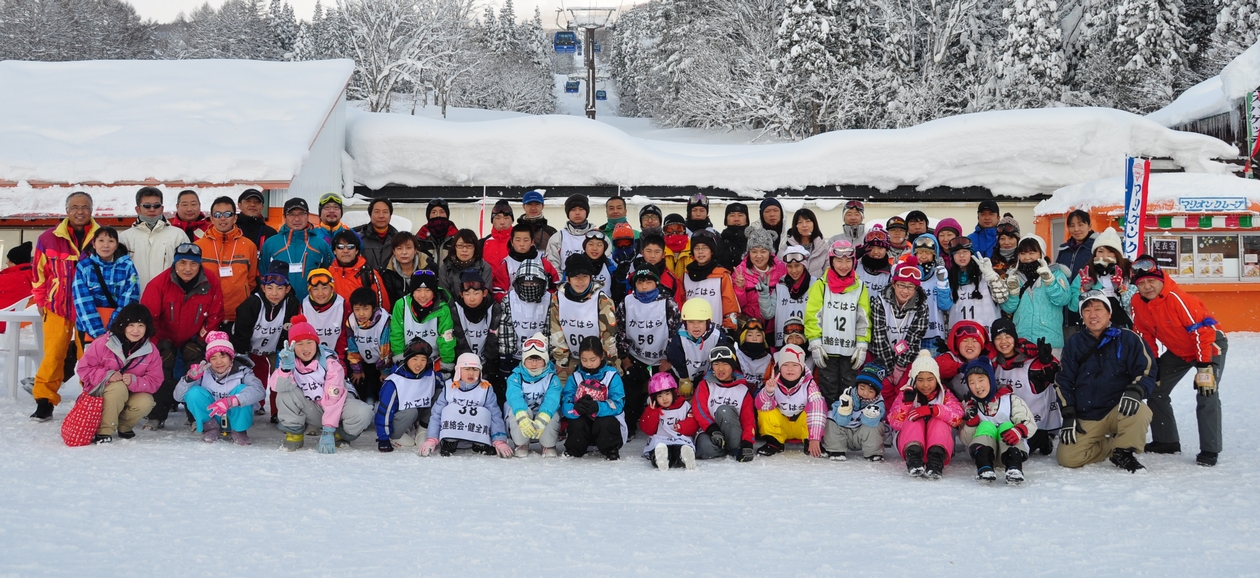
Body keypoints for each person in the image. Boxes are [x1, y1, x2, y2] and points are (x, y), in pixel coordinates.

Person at [1129, 255, 1227, 467]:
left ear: (1161, 279)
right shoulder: (1137, 302)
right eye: (1142, 283)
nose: (1147, 287)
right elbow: (1144, 335)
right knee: (1155, 388)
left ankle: (1210, 449)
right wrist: (1153, 363)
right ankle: (1166, 441)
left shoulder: (1178, 299)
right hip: (1178, 350)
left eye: (1151, 281)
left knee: (1206, 392)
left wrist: (1204, 366)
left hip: (1209, 345)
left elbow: (1202, 332)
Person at [1056, 294, 1155, 472]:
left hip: (1118, 408)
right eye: (1087, 310)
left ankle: (1123, 452)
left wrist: (1136, 390)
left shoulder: (1128, 338)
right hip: (1088, 413)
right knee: (1068, 458)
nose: (1092, 315)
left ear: (1109, 313)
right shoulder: (1074, 343)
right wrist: (1068, 413)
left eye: (1098, 309)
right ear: (1082, 316)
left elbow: (1146, 369)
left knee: (1140, 410)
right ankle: (1112, 445)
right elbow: (1064, 380)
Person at [29, 191, 100, 422]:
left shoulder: (102, 236)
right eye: (75, 207)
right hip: (57, 306)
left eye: (85, 207)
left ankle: (89, 400)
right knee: (53, 354)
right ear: (67, 210)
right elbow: (39, 273)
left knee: (88, 356)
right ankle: (44, 401)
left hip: (89, 309)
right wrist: (41, 300)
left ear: (92, 210)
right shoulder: (49, 238)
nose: (80, 211)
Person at [140, 243, 226, 428]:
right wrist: (158, 344)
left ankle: (195, 416)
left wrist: (201, 341)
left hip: (193, 338)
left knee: (197, 369)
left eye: (193, 264)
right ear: (175, 263)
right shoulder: (158, 284)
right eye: (183, 263)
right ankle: (156, 416)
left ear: (199, 264)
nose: (188, 268)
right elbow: (148, 318)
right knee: (161, 368)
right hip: (164, 337)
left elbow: (215, 314)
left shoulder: (210, 281)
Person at [270, 315, 375, 453]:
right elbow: (277, 387)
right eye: (299, 344)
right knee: (285, 392)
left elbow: (333, 399)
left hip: (338, 408)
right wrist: (285, 369)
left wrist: (328, 431)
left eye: (309, 342)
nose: (305, 348)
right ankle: (294, 434)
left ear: (316, 343)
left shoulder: (330, 363)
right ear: (292, 347)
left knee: (363, 412)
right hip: (312, 409)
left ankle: (339, 435)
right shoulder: (289, 360)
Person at [73, 303, 163, 443]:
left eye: (141, 325)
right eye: (131, 325)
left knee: (146, 401)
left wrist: (134, 381)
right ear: (123, 325)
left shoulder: (151, 351)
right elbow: (84, 369)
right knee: (118, 388)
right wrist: (107, 375)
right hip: (102, 393)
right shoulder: (103, 343)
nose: (136, 330)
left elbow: (155, 380)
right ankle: (104, 430)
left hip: (130, 393)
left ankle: (124, 425)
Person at [804, 240, 871, 407]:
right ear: (831, 261)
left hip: (849, 350)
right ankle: (827, 419)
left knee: (848, 390)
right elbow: (813, 316)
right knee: (828, 389)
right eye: (839, 260)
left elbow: (863, 319)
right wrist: (815, 342)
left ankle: (846, 419)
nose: (844, 265)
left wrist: (862, 344)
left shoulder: (860, 287)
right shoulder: (821, 285)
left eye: (848, 261)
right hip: (827, 349)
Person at [616, 267, 681, 436]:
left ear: (656, 283)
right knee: (631, 396)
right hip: (635, 357)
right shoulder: (627, 303)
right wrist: (624, 358)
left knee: (666, 394)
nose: (644, 286)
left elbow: (676, 333)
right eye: (640, 282)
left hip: (662, 359)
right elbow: (620, 331)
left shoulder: (668, 303)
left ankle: (668, 427)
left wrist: (671, 360)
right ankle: (629, 427)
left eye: (648, 282)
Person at [232, 262, 299, 423]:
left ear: (287, 289)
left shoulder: (292, 303)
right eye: (270, 288)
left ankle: (278, 411)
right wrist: (242, 353)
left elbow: (288, 329)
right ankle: (255, 404)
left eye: (279, 288)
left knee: (280, 376)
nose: (274, 293)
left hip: (276, 346)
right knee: (255, 375)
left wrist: (282, 351)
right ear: (263, 288)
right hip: (250, 346)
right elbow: (241, 329)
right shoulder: (253, 303)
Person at [173, 331, 265, 445]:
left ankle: (239, 431)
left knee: (243, 389)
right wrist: (189, 379)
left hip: (234, 417)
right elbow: (178, 397)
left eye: (223, 356)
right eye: (213, 358)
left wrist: (232, 401)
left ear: (231, 357)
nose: (219, 362)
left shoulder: (243, 371)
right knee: (193, 392)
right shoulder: (202, 372)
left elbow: (259, 390)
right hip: (212, 418)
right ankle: (210, 428)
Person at [989, 318, 1061, 456]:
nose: (1003, 342)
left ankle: (1042, 438)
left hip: (1034, 422)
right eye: (998, 338)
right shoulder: (994, 362)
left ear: (1015, 338)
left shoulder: (1031, 360)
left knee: (1016, 449)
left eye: (1007, 337)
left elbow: (1054, 376)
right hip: (1008, 420)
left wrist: (1047, 360)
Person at [887, 350, 963, 479]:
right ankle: (914, 460)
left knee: (939, 421)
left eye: (930, 379)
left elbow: (958, 417)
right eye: (920, 380)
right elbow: (894, 422)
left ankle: (936, 462)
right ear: (914, 380)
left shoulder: (944, 395)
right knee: (913, 419)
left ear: (937, 379)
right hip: (910, 445)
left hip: (939, 446)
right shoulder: (906, 394)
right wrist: (906, 404)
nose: (925, 385)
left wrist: (935, 410)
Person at [958, 357, 1034, 483]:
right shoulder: (969, 405)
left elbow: (1029, 422)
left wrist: (1019, 430)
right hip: (984, 455)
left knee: (1006, 426)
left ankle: (1014, 468)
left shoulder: (1010, 400)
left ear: (990, 379)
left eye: (981, 380)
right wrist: (971, 423)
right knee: (986, 426)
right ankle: (984, 468)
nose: (977, 386)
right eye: (971, 382)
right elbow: (965, 440)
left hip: (1010, 452)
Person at [1001, 235, 1076, 354]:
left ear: (1041, 254)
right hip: (1022, 339)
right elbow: (1008, 308)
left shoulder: (1056, 273)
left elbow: (1063, 299)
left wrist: (1050, 282)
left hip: (1050, 341)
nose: (1027, 257)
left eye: (1032, 253)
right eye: (1023, 253)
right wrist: (1013, 294)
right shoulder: (1014, 276)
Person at [549, 254, 617, 383]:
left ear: (591, 277)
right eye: (576, 277)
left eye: (585, 276)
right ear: (568, 278)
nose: (580, 281)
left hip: (597, 359)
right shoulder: (558, 298)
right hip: (570, 358)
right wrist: (561, 361)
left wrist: (610, 362)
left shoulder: (602, 300)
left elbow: (608, 335)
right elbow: (556, 330)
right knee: (564, 390)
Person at [195, 196, 258, 327]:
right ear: (211, 218)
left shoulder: (249, 246)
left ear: (235, 218)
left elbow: (251, 281)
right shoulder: (198, 246)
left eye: (227, 214)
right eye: (217, 215)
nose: (222, 218)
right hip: (207, 314)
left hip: (239, 314)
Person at [71, 227, 140, 345]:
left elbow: (130, 297)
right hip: (89, 329)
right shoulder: (84, 267)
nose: (106, 245)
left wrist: (114, 327)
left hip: (120, 328)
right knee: (91, 357)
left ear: (116, 245)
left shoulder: (127, 266)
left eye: (111, 241)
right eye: (101, 240)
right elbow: (82, 300)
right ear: (94, 244)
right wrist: (98, 332)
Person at [560, 337, 627, 460]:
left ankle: (611, 449)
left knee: (605, 422)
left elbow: (618, 404)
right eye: (584, 360)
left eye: (593, 359)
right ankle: (574, 449)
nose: (588, 364)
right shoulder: (575, 377)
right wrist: (576, 409)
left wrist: (598, 407)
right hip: (584, 421)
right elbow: (565, 402)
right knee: (577, 423)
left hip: (604, 421)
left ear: (601, 356)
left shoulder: (611, 375)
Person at [754, 344, 826, 457]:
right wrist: (768, 392)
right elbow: (760, 405)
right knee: (765, 409)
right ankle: (774, 442)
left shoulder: (809, 384)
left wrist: (815, 438)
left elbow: (818, 408)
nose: (790, 369)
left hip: (801, 428)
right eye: (785, 365)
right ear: (779, 367)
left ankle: (809, 442)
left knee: (814, 408)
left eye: (795, 365)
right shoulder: (773, 382)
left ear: (802, 367)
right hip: (781, 426)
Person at [869, 257, 929, 389]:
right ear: (894, 284)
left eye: (910, 287)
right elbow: (879, 337)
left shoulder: (921, 306)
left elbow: (913, 338)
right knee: (883, 388)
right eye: (901, 285)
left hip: (907, 359)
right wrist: (889, 368)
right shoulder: (880, 302)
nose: (905, 291)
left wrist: (900, 367)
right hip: (881, 356)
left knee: (904, 390)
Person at [259, 197, 334, 301]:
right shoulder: (271, 243)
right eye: (292, 214)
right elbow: (263, 274)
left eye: (301, 214)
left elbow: (330, 272)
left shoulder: (320, 244)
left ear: (308, 215)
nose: (297, 219)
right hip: (280, 305)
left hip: (312, 304)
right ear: (284, 216)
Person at [390, 270, 458, 380]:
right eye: (418, 290)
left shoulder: (442, 309)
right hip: (409, 358)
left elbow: (446, 338)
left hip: (434, 359)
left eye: (428, 290)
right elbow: (397, 333)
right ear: (412, 292)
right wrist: (400, 357)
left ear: (434, 292)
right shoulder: (401, 305)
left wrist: (446, 364)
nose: (422, 295)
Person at [503, 334, 563, 457]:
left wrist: (544, 415)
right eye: (530, 359)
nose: (534, 363)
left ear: (545, 360)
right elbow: (514, 395)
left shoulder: (552, 378)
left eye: (538, 359)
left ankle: (548, 444)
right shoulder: (516, 377)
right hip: (525, 413)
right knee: (515, 412)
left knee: (552, 414)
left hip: (543, 413)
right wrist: (521, 413)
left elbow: (552, 398)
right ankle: (521, 443)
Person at [693, 346, 755, 462]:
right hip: (711, 432)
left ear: (732, 366)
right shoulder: (705, 385)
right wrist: (712, 429)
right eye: (716, 364)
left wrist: (748, 442)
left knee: (724, 410)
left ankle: (734, 447)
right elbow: (699, 410)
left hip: (733, 431)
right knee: (704, 448)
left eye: (725, 364)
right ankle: (726, 448)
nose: (720, 368)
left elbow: (748, 419)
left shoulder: (742, 389)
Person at [375, 339, 438, 452]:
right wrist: (383, 438)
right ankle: (394, 436)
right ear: (407, 359)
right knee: (411, 412)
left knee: (439, 393)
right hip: (399, 420)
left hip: (419, 418)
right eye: (415, 359)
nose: (419, 364)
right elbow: (385, 411)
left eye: (423, 360)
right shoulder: (394, 382)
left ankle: (423, 428)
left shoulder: (431, 376)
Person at [119, 187, 186, 290]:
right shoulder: (124, 238)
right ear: (138, 209)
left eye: (156, 205)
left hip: (169, 295)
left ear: (162, 208)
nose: (152, 209)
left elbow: (187, 267)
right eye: (147, 206)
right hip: (135, 296)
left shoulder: (178, 235)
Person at [450, 270, 502, 398]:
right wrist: (471, 365)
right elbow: (460, 341)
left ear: (484, 293)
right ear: (461, 294)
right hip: (464, 363)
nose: (472, 298)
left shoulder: (494, 308)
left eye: (476, 293)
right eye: (467, 294)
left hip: (487, 362)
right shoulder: (455, 309)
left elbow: (493, 339)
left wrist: (488, 366)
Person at [822, 362, 887, 461]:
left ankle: (873, 453)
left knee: (877, 425)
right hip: (844, 434)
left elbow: (872, 422)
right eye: (862, 388)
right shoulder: (847, 395)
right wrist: (844, 411)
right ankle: (836, 449)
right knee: (831, 420)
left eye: (871, 391)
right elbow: (840, 421)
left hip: (862, 435)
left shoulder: (879, 403)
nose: (865, 393)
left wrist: (870, 415)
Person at [677, 231, 740, 331]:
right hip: (691, 331)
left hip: (715, 330)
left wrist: (729, 327)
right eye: (696, 248)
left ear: (712, 251)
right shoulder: (686, 276)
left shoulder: (722, 275)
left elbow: (730, 303)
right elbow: (681, 302)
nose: (700, 252)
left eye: (705, 248)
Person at [941, 237, 1006, 332]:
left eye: (965, 252)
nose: (961, 255)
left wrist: (992, 276)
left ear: (971, 254)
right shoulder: (948, 278)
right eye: (957, 253)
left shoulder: (984, 274)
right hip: (960, 334)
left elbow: (1002, 298)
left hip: (986, 332)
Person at [665, 299, 727, 397]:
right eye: (691, 322)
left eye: (700, 322)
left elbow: (722, 359)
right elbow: (676, 359)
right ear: (685, 323)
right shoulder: (679, 338)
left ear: (707, 322)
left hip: (709, 376)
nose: (696, 326)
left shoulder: (717, 336)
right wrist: (684, 378)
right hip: (685, 376)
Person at [1075, 228, 1134, 328]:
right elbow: (1073, 307)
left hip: (1122, 328)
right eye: (1101, 251)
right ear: (1094, 253)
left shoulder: (1128, 273)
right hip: (1093, 328)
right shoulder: (1085, 273)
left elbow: (1135, 307)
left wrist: (1121, 289)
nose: (1105, 256)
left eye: (1110, 252)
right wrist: (1084, 290)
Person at [497, 259, 552, 367]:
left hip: (541, 356)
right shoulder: (509, 300)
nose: (529, 287)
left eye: (534, 283)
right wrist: (506, 355)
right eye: (525, 283)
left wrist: (549, 353)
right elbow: (505, 328)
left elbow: (550, 329)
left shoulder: (549, 300)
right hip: (516, 356)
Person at [639, 371, 698, 470]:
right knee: (658, 449)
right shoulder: (653, 409)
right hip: (660, 440)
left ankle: (684, 456)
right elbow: (648, 429)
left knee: (679, 449)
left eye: (667, 394)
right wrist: (652, 413)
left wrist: (682, 427)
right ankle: (660, 458)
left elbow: (693, 423)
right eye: (660, 396)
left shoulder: (684, 406)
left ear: (674, 393)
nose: (664, 398)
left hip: (680, 439)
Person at [345, 287, 392, 405]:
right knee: (359, 383)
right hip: (363, 360)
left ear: (373, 307)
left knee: (380, 388)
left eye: (365, 309)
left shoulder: (384, 321)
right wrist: (357, 369)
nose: (361, 313)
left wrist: (385, 370)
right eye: (357, 309)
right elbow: (352, 346)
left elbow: (385, 349)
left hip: (381, 362)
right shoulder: (351, 321)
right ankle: (363, 404)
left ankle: (379, 405)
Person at [760, 245, 811, 349]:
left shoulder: (815, 284)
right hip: (785, 341)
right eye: (790, 266)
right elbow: (768, 314)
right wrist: (764, 295)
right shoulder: (781, 287)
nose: (793, 270)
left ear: (804, 265)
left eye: (797, 266)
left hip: (809, 341)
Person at [495, 223, 561, 303]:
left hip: (540, 305)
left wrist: (544, 300)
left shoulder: (543, 262)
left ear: (532, 242)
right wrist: (512, 303)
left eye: (526, 240)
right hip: (514, 306)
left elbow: (555, 287)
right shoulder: (506, 264)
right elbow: (499, 292)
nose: (522, 244)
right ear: (512, 242)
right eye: (518, 240)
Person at [733, 227, 784, 323]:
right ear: (749, 252)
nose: (759, 256)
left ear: (770, 252)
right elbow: (738, 305)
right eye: (754, 251)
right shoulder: (740, 272)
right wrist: (740, 288)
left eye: (763, 251)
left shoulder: (781, 269)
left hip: (776, 324)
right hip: (751, 326)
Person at [327, 229, 389, 308]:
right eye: (340, 247)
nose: (345, 251)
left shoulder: (368, 274)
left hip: (361, 316)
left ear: (356, 251)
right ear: (334, 251)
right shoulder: (327, 274)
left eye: (350, 247)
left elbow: (382, 306)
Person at [912, 234, 950, 354]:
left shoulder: (940, 273)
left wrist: (943, 284)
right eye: (920, 252)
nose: (923, 256)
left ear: (934, 255)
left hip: (934, 333)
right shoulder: (909, 273)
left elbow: (945, 305)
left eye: (928, 253)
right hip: (911, 333)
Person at [934, 320, 990, 401]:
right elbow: (936, 367)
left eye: (974, 341)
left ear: (982, 346)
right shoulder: (950, 357)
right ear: (957, 345)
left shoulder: (989, 357)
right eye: (964, 340)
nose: (969, 345)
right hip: (958, 404)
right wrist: (960, 367)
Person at [301, 268, 349, 353]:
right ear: (310, 291)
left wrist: (339, 357)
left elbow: (345, 335)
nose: (320, 293)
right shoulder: (303, 307)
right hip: (311, 356)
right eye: (315, 289)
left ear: (332, 289)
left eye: (325, 288)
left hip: (337, 355)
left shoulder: (342, 305)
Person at [546, 193, 596, 272]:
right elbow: (552, 265)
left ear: (586, 212)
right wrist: (563, 280)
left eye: (581, 209)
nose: (577, 213)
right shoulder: (558, 238)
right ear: (568, 213)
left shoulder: (598, 236)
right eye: (573, 209)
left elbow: (605, 263)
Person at [438, 229, 493, 300]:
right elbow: (445, 296)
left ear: (475, 248)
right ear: (454, 247)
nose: (464, 250)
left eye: (469, 246)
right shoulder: (445, 268)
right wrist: (456, 307)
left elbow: (486, 296)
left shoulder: (484, 268)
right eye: (460, 246)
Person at [780, 208, 828, 278]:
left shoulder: (823, 247)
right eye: (800, 222)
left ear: (814, 224)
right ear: (795, 226)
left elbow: (828, 270)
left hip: (818, 284)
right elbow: (780, 272)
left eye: (808, 221)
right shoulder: (786, 248)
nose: (804, 225)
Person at [379, 232, 425, 304]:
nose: (404, 252)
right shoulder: (386, 272)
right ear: (394, 251)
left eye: (408, 248)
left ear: (415, 250)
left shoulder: (428, 268)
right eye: (399, 248)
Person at [632, 228, 680, 298]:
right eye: (648, 251)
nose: (652, 256)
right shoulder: (633, 276)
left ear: (663, 254)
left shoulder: (671, 279)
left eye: (657, 252)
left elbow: (678, 302)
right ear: (642, 252)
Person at [354, 198, 398, 271]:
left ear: (390, 215)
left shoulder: (398, 240)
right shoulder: (359, 239)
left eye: (385, 212)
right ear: (370, 215)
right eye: (377, 212)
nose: (381, 216)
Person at [481, 200, 514, 295]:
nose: (502, 222)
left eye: (506, 218)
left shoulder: (518, 242)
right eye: (498, 218)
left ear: (512, 220)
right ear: (492, 221)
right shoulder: (483, 243)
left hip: (514, 294)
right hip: (489, 294)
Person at [0, 241, 33, 334]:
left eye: (9, 260)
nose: (6, 262)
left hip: (3, 320)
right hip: (11, 318)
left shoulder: (15, 278)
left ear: (15, 261)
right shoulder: (28, 275)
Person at [415, 198, 458, 268]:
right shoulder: (419, 239)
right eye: (434, 212)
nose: (438, 215)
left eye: (442, 212)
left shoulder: (457, 239)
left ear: (447, 215)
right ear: (428, 216)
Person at [734, 319, 775, 391]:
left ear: (763, 338)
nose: (754, 338)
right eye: (750, 335)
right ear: (744, 337)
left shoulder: (769, 359)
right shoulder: (737, 356)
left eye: (758, 335)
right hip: (740, 392)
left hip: (763, 393)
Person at [517, 189, 556, 254]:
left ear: (543, 206)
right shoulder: (515, 230)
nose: (533, 208)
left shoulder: (551, 232)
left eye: (537, 204)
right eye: (529, 204)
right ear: (523, 206)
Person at [856, 228, 892, 297]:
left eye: (880, 248)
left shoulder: (892, 272)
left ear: (886, 250)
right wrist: (853, 258)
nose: (875, 252)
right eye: (871, 247)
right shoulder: (856, 267)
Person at [609, 223, 637, 305]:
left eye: (627, 242)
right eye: (619, 243)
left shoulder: (639, 259)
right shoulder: (609, 261)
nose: (623, 246)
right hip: (616, 301)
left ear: (632, 242)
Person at [581, 229, 616, 297]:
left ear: (604, 248)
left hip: (605, 303)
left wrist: (620, 279)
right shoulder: (576, 264)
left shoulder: (609, 265)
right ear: (585, 246)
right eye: (591, 244)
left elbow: (619, 290)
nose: (595, 248)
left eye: (599, 245)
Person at [662, 214, 693, 281]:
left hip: (688, 285)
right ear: (665, 231)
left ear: (684, 230)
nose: (674, 233)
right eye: (669, 229)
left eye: (679, 229)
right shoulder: (660, 248)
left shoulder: (693, 247)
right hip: (667, 285)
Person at [719, 202, 750, 270]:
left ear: (747, 220)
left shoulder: (753, 240)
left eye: (740, 215)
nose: (736, 219)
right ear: (726, 220)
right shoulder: (718, 240)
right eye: (732, 215)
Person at [990, 214, 1021, 279]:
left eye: (1011, 238)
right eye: (1002, 238)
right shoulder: (991, 261)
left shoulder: (1023, 259)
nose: (1006, 242)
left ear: (1017, 239)